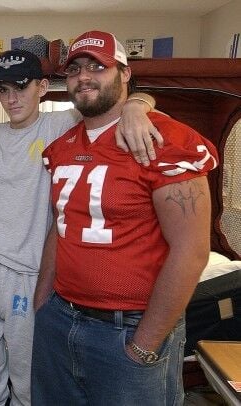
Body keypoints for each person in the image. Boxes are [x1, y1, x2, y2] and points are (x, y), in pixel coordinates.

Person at [0, 48, 160, 406]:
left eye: (20, 88)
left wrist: (137, 106)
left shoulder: (62, 125)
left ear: (42, 87)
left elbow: (115, 102)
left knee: (29, 377)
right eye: (3, 90)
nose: (11, 98)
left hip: (29, 272)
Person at [31, 30, 218, 405]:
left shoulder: (164, 140)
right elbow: (61, 226)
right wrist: (42, 303)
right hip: (60, 318)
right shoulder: (63, 147)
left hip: (128, 328)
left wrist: (146, 344)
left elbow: (191, 250)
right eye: (75, 69)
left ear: (124, 73)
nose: (84, 76)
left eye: (97, 67)